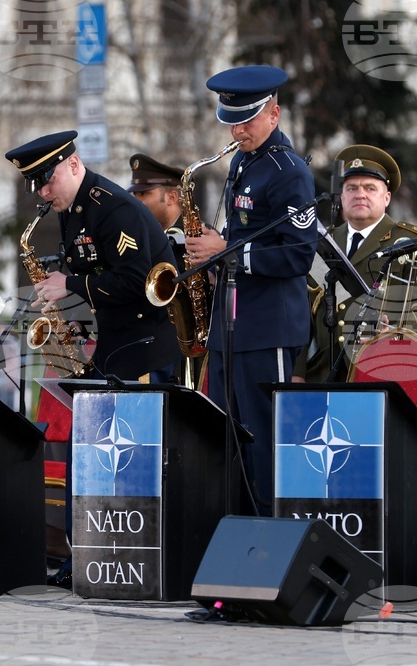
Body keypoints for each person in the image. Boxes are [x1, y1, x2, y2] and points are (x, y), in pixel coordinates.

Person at [184, 65, 317, 515]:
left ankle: (270, 536)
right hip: (231, 325)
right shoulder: (244, 161)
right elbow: (243, 230)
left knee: (265, 440)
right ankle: (234, 527)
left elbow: (298, 255)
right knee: (228, 436)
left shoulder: (289, 171)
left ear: (274, 113)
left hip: (268, 328)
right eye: (231, 121)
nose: (238, 130)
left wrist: (228, 252)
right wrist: (208, 248)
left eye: (247, 120)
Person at [5, 131, 182, 382]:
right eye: (36, 185)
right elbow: (95, 271)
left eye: (48, 180)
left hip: (143, 349)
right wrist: (79, 323)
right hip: (113, 345)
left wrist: (67, 285)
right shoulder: (71, 206)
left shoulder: (114, 209)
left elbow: (135, 281)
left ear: (74, 165)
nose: (43, 192)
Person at [293, 144, 417, 384]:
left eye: (370, 188)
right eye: (352, 188)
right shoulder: (323, 242)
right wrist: (297, 372)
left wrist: (391, 330)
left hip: (383, 372)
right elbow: (303, 313)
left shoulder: (415, 242)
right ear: (342, 197)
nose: (360, 194)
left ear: (386, 197)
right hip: (322, 375)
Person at [128, 152, 204, 387]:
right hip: (152, 349)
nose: (136, 202)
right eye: (134, 195)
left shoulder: (196, 237)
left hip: (182, 352)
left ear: (172, 197)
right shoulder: (140, 239)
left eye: (144, 194)